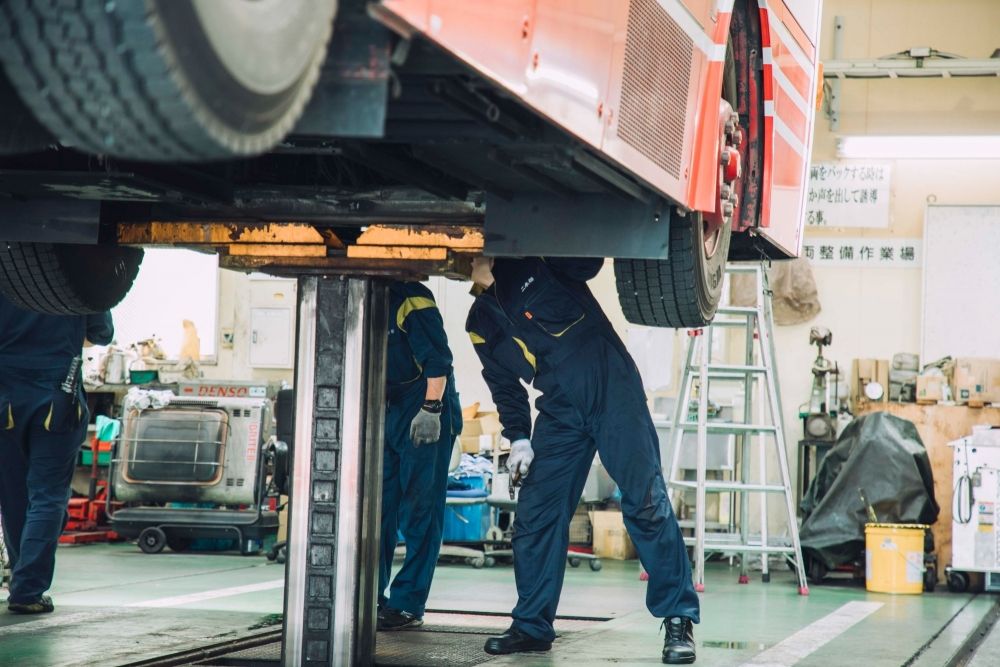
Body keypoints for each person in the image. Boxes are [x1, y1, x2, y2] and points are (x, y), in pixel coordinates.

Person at [465, 257, 700, 664]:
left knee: (645, 502)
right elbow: (504, 386)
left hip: (612, 389)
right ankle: (532, 625)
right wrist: (519, 438)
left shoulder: (536, 263)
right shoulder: (479, 322)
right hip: (559, 409)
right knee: (536, 513)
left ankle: (678, 618)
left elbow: (587, 262)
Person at [0, 294, 113, 614]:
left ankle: (23, 582)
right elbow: (99, 335)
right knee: (47, 496)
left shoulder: (4, 267)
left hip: (5, 399)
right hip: (56, 398)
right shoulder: (77, 273)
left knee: (14, 496)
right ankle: (27, 589)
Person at [378, 281, 462, 630]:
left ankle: (408, 602)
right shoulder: (360, 295)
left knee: (420, 510)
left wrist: (431, 408)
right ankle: (368, 594)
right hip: (387, 406)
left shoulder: (409, 296)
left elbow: (439, 359)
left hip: (425, 406)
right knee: (378, 509)